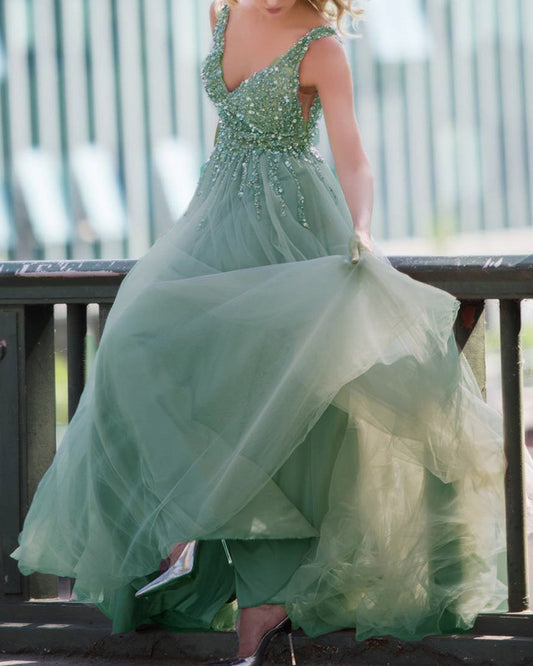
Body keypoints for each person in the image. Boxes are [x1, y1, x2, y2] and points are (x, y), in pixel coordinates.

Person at [11, 1, 513, 664]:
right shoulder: (223, 15)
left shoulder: (320, 46)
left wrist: (360, 232)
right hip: (217, 214)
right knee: (133, 342)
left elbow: (352, 155)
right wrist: (206, 224)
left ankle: (259, 613)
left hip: (293, 225)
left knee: (282, 416)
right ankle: (183, 533)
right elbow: (229, 132)